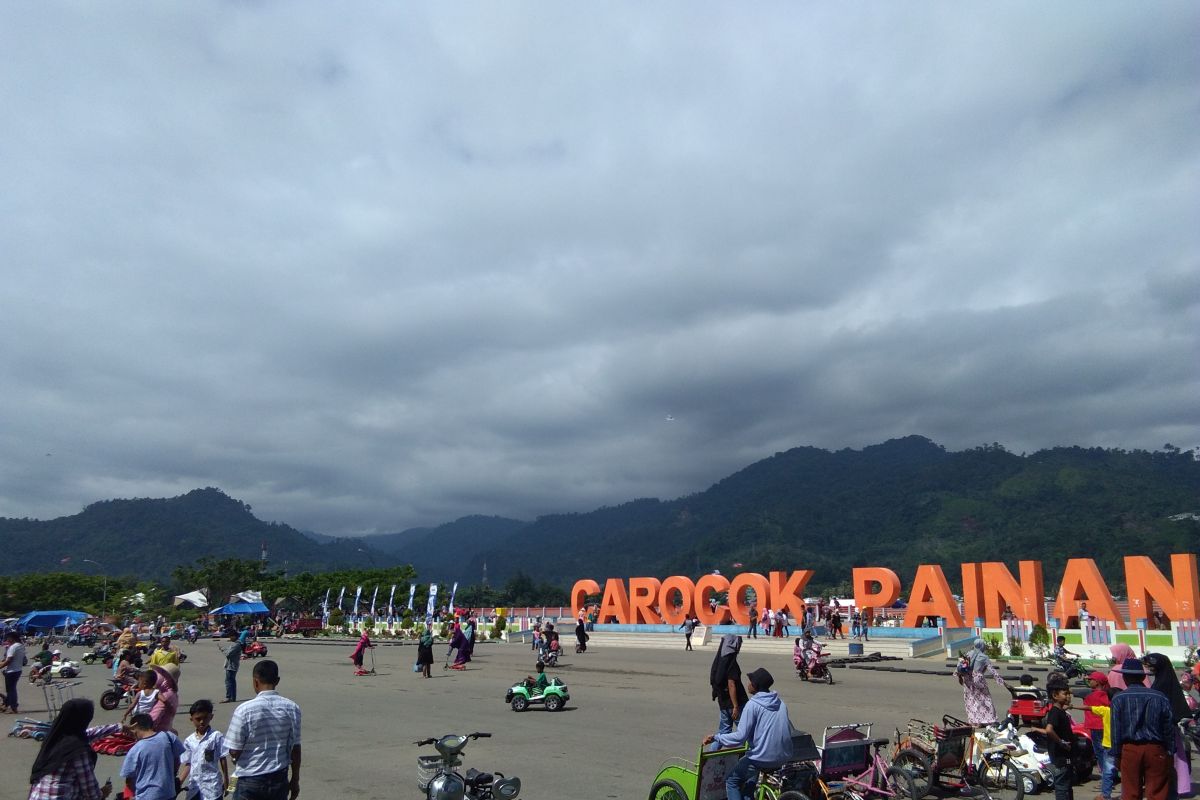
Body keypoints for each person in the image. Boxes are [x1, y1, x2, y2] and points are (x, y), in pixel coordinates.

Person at [703, 668, 795, 800]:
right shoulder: (781, 703)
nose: (748, 684)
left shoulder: (752, 705)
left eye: (750, 682)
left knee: (732, 782)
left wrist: (716, 737)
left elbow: (740, 737)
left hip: (762, 758)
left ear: (755, 686)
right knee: (749, 783)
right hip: (783, 757)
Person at [225, 660, 301, 800]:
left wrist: (235, 757)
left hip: (249, 779)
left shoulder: (244, 710)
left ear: (255, 681)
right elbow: (295, 748)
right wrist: (295, 780)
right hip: (279, 779)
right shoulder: (292, 708)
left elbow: (234, 750)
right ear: (277, 681)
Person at [1110, 657, 1174, 800]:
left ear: (1124, 677)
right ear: (1143, 677)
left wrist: (1116, 754)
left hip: (1130, 750)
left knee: (1130, 793)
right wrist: (1170, 752)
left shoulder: (1118, 699)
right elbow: (1168, 728)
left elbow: (1115, 731)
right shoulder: (1160, 697)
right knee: (1157, 793)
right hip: (1156, 749)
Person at [27, 697, 112, 799]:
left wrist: (119, 727)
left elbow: (88, 734)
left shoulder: (55, 738)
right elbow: (90, 792)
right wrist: (103, 792)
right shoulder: (78, 750)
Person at [1143, 653, 1192, 800]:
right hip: (1169, 728)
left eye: (1151, 666)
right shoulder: (1164, 679)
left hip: (1165, 729)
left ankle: (1173, 788)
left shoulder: (1162, 683)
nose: (1150, 668)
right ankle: (1178, 787)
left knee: (1171, 759)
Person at [121, 713, 184, 800]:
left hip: (145, 796)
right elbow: (178, 759)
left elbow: (129, 778)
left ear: (134, 727)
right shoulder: (169, 737)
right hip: (169, 793)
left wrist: (131, 796)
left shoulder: (135, 749)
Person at [179, 699, 229, 800]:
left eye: (205, 718)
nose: (202, 722)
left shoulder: (216, 736)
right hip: (195, 786)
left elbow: (223, 758)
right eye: (198, 719)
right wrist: (179, 782)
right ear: (191, 719)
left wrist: (226, 780)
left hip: (212, 786)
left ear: (211, 717)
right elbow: (188, 763)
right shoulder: (189, 741)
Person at [1076, 671, 1115, 800]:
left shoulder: (1096, 694)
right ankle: (1107, 782)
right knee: (1104, 756)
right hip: (1099, 728)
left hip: (1098, 728)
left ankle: (1106, 784)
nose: (1089, 681)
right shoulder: (1105, 694)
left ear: (1097, 682)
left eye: (1091, 679)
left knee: (1102, 756)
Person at [1041, 676, 1077, 800]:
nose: (1068, 696)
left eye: (1069, 694)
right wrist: (1061, 742)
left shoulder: (1060, 711)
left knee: (1067, 786)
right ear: (1055, 696)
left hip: (1066, 756)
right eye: (1065, 694)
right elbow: (1049, 729)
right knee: (1062, 787)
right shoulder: (1055, 712)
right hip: (1060, 757)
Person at [960, 638, 1005, 725]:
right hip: (978, 679)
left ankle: (974, 721)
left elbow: (960, 666)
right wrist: (1001, 681)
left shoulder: (968, 654)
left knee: (971, 700)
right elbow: (992, 671)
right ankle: (988, 720)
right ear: (982, 646)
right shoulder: (984, 657)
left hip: (967, 679)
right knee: (985, 699)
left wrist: (960, 677)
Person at [709, 634, 747, 736]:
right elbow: (731, 685)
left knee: (723, 732)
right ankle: (751, 752)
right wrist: (735, 706)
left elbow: (715, 680)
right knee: (746, 731)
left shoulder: (718, 662)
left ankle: (712, 751)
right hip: (735, 703)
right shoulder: (731, 663)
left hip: (723, 702)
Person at [1, 630, 27, 714]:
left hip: (11, 671)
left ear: (12, 638)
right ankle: (7, 705)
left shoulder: (12, 647)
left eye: (8, 638)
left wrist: (0, 666)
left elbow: (8, 660)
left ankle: (13, 707)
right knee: (10, 689)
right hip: (18, 670)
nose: (7, 639)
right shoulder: (21, 646)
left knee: (11, 690)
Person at [221, 639, 243, 704]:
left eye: (230, 636)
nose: (230, 638)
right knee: (232, 681)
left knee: (228, 682)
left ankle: (228, 697)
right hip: (232, 665)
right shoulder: (236, 644)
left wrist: (222, 649)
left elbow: (228, 654)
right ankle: (232, 697)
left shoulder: (236, 645)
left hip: (231, 666)